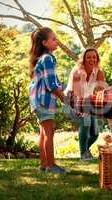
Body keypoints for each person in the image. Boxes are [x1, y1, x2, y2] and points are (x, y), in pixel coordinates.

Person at [28, 27, 66, 173]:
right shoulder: (48, 58)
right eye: (54, 39)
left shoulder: (42, 59)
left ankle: (44, 165)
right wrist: (64, 99)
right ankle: (51, 165)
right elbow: (51, 84)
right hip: (44, 100)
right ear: (45, 43)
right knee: (49, 132)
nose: (57, 41)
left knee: (44, 132)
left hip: (38, 101)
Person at [64, 48, 107, 160]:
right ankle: (83, 154)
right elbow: (75, 93)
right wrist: (80, 110)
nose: (91, 59)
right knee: (85, 121)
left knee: (95, 133)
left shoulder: (99, 73)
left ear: (97, 59)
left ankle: (85, 150)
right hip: (73, 102)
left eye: (94, 57)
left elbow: (101, 92)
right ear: (83, 59)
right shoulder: (77, 71)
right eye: (88, 57)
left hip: (89, 104)